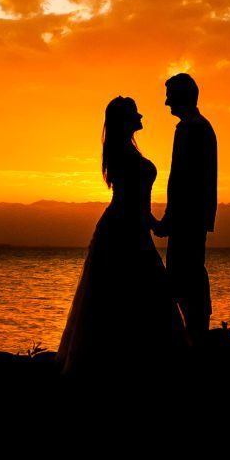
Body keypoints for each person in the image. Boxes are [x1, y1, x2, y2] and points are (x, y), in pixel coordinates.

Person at [55, 95, 185, 378]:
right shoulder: (124, 154)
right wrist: (154, 225)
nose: (141, 117)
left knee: (133, 293)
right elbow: (130, 201)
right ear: (126, 120)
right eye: (135, 114)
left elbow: (135, 200)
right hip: (123, 230)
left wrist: (154, 224)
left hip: (128, 226)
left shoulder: (125, 151)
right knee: (136, 292)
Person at [156, 71, 217, 345]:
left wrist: (170, 218)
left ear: (182, 96)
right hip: (194, 217)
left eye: (170, 96)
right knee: (190, 275)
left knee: (184, 277)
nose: (166, 103)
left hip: (186, 218)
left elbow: (182, 177)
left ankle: (194, 338)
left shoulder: (190, 129)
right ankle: (195, 334)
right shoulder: (202, 126)